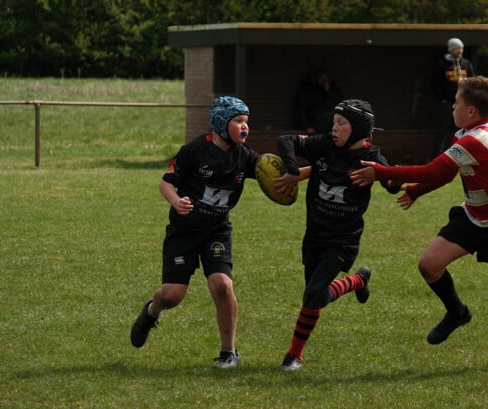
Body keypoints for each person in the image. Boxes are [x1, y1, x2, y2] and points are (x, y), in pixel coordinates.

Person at [349, 77, 488, 366]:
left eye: (458, 101)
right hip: (473, 218)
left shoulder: (478, 140)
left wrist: (381, 171)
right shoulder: (466, 134)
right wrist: (416, 191)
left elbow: (431, 170)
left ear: (471, 110)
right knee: (429, 265)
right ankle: (457, 312)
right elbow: (445, 175)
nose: (453, 105)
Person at [130, 96, 260, 369]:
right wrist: (177, 201)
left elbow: (277, 176)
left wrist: (316, 172)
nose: (245, 127)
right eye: (239, 121)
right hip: (184, 232)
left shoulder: (245, 156)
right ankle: (151, 311)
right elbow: (166, 184)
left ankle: (228, 352)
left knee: (222, 286)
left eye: (247, 121)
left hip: (217, 231)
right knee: (171, 297)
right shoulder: (194, 150)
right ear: (222, 123)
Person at [274, 99, 401, 371]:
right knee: (315, 298)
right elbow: (286, 140)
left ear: (358, 129)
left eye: (342, 124)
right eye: (334, 122)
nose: (334, 128)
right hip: (314, 237)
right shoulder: (323, 146)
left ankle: (294, 355)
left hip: (343, 241)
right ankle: (357, 281)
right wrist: (293, 170)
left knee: (312, 295)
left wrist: (381, 173)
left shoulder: (371, 156)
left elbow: (393, 185)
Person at [431, 37, 475, 157]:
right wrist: (442, 99)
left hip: (463, 103)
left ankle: (460, 154)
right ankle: (438, 155)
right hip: (447, 103)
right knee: (443, 129)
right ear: (451, 50)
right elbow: (435, 83)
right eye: (457, 49)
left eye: (461, 48)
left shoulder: (466, 63)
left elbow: (472, 80)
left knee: (462, 128)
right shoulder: (441, 65)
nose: (460, 51)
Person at [295, 68, 343, 134]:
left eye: (326, 79)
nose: (324, 81)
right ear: (315, 78)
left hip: (329, 118)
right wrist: (307, 126)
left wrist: (328, 91)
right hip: (315, 119)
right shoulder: (306, 89)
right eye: (321, 79)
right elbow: (301, 109)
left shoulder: (331, 87)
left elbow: (339, 102)